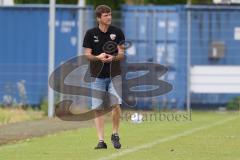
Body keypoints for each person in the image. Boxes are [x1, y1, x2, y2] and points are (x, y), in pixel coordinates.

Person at [82, 4, 125, 149]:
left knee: (116, 104)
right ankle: (101, 141)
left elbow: (121, 54)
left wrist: (113, 58)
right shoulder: (90, 33)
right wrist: (98, 57)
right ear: (98, 18)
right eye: (106, 15)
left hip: (114, 75)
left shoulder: (117, 32)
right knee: (98, 108)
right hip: (97, 76)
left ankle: (115, 133)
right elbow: (87, 54)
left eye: (110, 14)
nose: (109, 17)